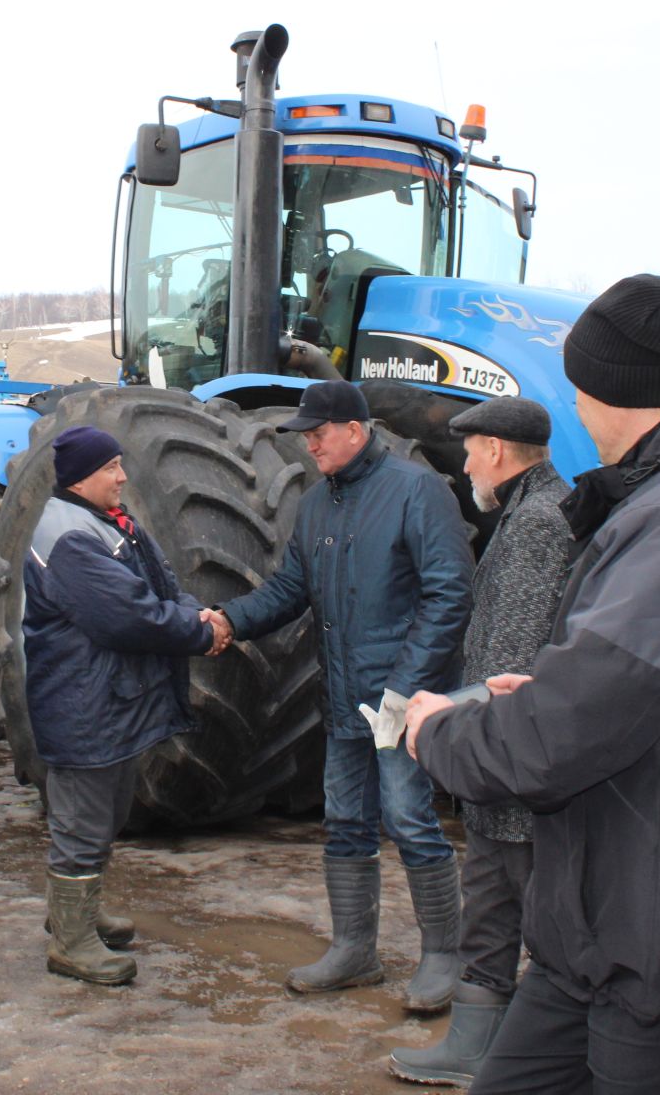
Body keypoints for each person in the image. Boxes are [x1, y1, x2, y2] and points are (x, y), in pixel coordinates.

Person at [405, 274, 660, 1095]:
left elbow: (559, 738)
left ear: (606, 387)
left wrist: (437, 731)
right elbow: (645, 687)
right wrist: (554, 685)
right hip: (603, 931)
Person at [206, 379, 474, 1013]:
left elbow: (448, 596)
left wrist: (405, 692)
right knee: (346, 823)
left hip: (400, 703)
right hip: (345, 695)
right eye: (305, 437)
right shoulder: (319, 505)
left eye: (318, 435)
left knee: (411, 820)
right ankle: (355, 950)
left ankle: (445, 957)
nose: (310, 447)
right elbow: (286, 592)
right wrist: (225, 619)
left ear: (355, 431)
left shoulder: (416, 491)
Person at [389, 397, 572, 1086]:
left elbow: (512, 662)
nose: (465, 466)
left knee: (514, 908)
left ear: (496, 450)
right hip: (511, 760)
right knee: (497, 904)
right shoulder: (535, 510)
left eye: (470, 453)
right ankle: (481, 1046)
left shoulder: (534, 523)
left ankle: (497, 1054)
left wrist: (455, 720)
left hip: (513, 765)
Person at [21, 424, 230, 986]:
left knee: (106, 814)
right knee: (83, 821)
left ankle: (77, 913)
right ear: (83, 478)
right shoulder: (69, 539)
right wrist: (199, 632)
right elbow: (127, 616)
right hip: (81, 705)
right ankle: (70, 940)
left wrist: (197, 614)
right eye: (111, 467)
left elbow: (160, 587)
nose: (122, 476)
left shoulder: (112, 523)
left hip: (109, 701)